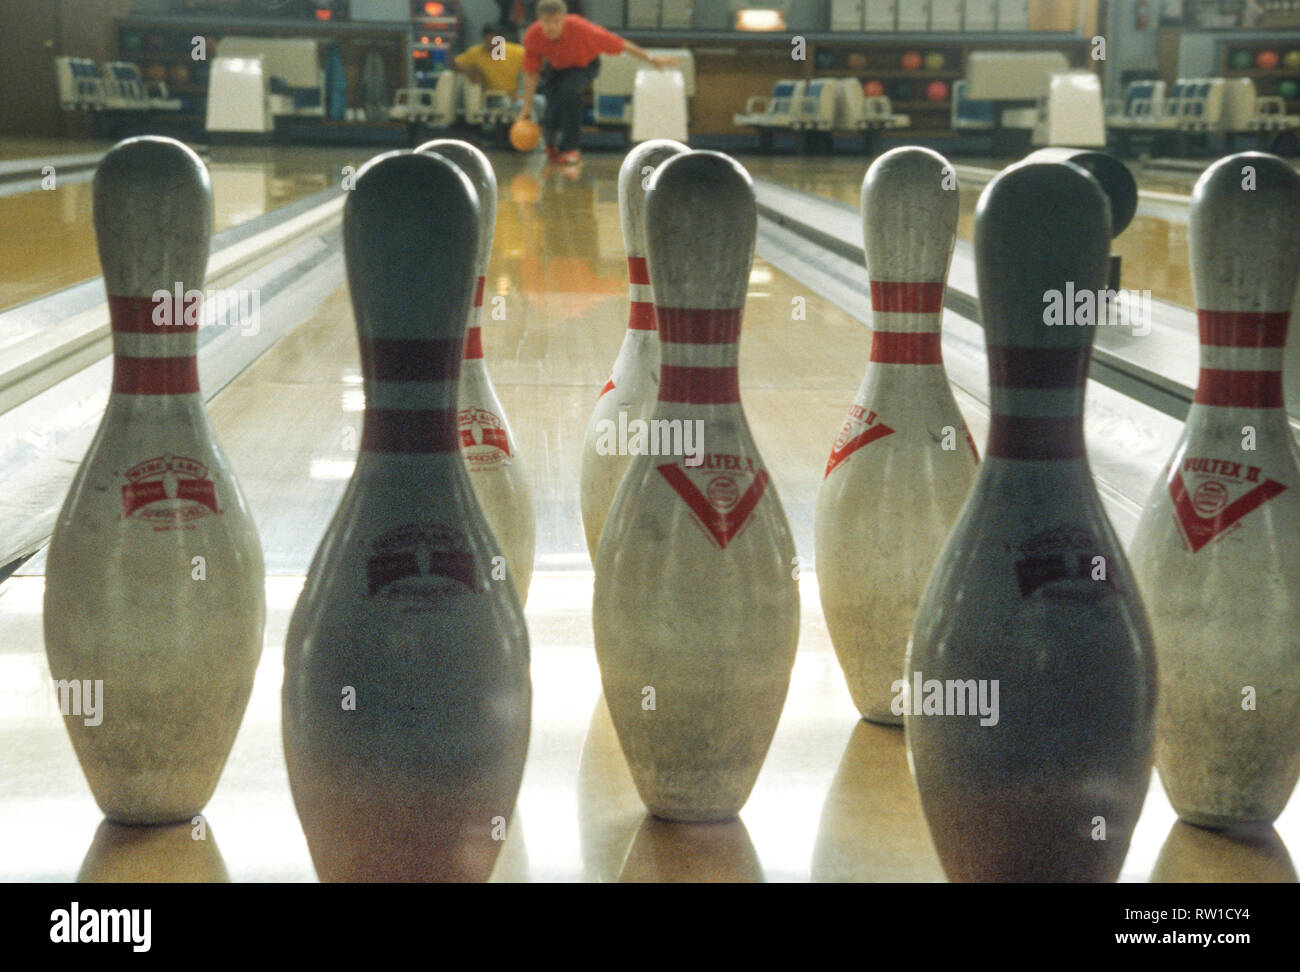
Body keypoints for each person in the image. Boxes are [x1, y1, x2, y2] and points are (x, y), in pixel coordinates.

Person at [519, 0, 673, 166]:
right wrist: (527, 107)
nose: (552, 27)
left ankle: (571, 149)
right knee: (552, 106)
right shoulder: (533, 36)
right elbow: (531, 74)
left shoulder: (582, 29)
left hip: (585, 66)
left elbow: (621, 45)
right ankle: (550, 145)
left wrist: (652, 59)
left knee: (569, 92)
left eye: (556, 22)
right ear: (539, 20)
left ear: (564, 18)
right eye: (547, 22)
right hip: (557, 68)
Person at [452, 23, 526, 95]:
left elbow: (533, 64)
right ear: (484, 40)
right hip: (489, 97)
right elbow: (455, 63)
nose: (492, 44)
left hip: (513, 95)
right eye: (489, 41)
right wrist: (470, 70)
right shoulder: (476, 53)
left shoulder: (516, 51)